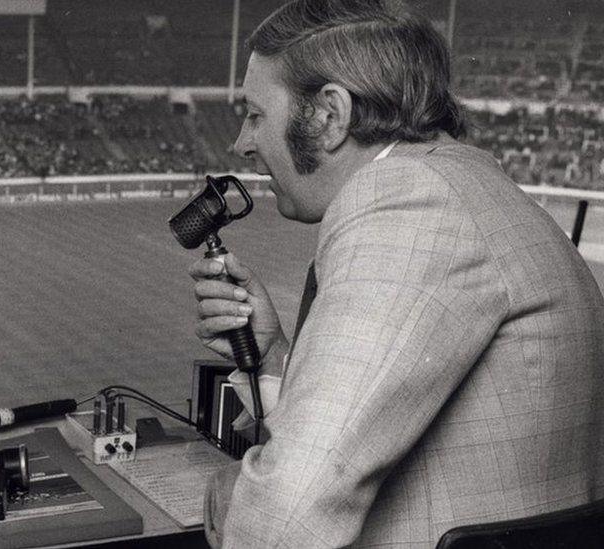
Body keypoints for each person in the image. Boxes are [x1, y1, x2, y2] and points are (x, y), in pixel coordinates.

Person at [190, 1, 604, 547]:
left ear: (329, 115)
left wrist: (239, 498)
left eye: (256, 114)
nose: (241, 142)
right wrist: (272, 358)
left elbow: (290, 512)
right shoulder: (464, 182)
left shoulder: (406, 199)